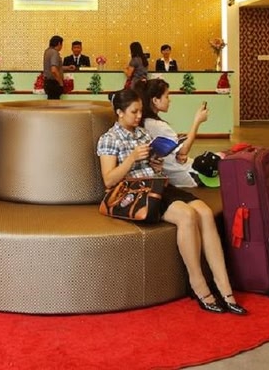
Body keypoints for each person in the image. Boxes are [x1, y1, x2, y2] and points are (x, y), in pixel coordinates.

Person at [96, 89, 247, 316]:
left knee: (205, 212)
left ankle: (225, 288)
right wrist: (132, 158)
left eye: (140, 111)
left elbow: (153, 167)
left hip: (157, 185)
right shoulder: (109, 139)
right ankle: (198, 285)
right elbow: (109, 180)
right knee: (187, 215)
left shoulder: (143, 134)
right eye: (134, 112)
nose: (139, 116)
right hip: (135, 193)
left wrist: (155, 163)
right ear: (119, 112)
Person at [136, 78, 207, 187]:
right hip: (182, 174)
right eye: (166, 96)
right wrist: (197, 121)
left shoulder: (146, 122)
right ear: (155, 100)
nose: (169, 100)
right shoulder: (157, 125)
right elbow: (184, 150)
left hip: (174, 169)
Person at [43, 35, 64, 100]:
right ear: (59, 43)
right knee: (55, 104)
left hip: (47, 82)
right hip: (54, 83)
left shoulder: (47, 51)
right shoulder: (54, 52)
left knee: (50, 103)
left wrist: (67, 67)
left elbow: (53, 66)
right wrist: (60, 82)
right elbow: (54, 70)